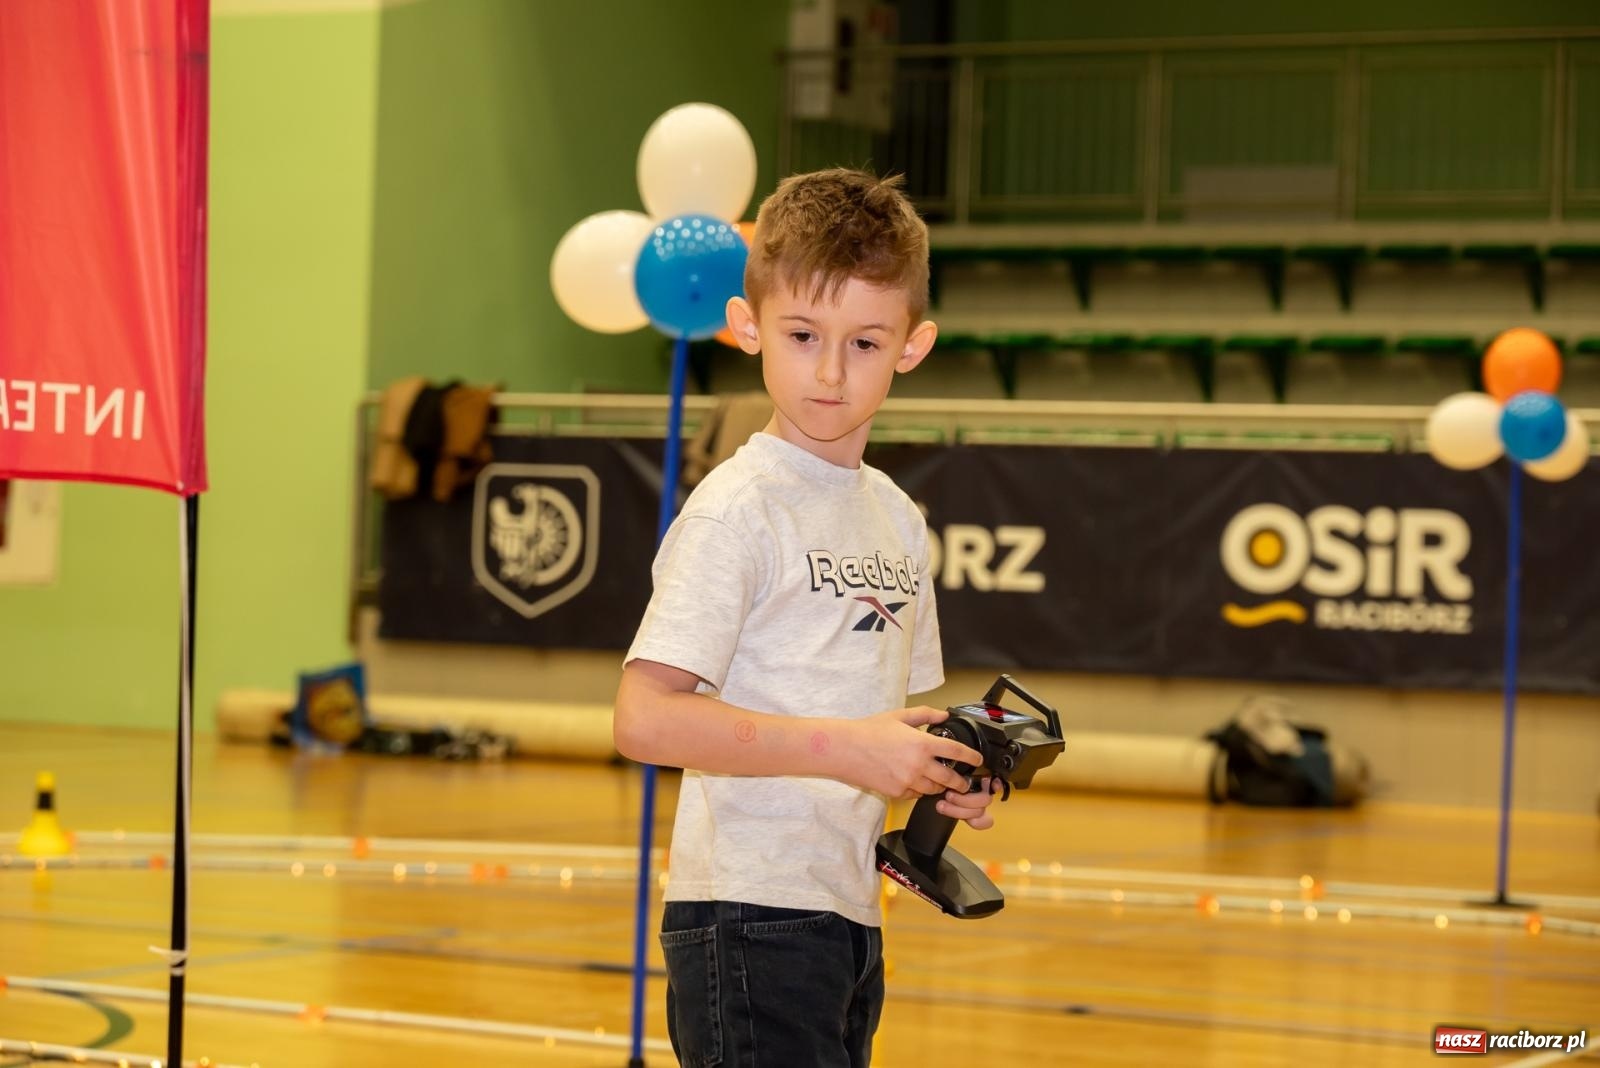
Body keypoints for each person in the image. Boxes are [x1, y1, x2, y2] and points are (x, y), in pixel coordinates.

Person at [613, 168, 1000, 1067]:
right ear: (748, 328)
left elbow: (881, 728)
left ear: (912, 345)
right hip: (746, 915)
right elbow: (644, 718)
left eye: (865, 341)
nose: (830, 371)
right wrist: (854, 748)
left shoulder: (898, 519)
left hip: (848, 913)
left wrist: (938, 771)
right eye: (801, 335)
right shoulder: (735, 510)